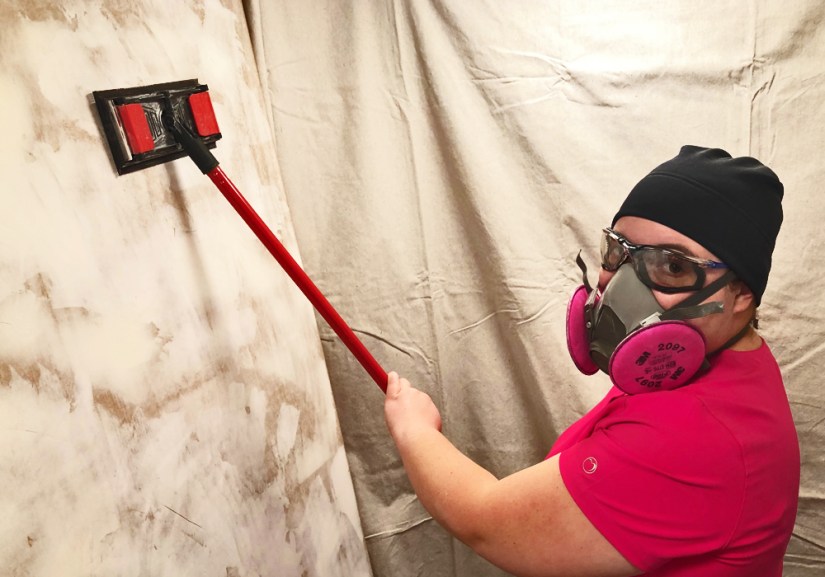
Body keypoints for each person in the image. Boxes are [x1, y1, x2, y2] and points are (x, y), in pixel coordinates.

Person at [384, 146, 800, 577]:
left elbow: (486, 523)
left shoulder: (699, 438)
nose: (622, 284)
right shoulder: (732, 364)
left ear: (742, 295)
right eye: (618, 251)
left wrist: (413, 429)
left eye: (673, 266)